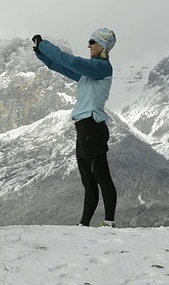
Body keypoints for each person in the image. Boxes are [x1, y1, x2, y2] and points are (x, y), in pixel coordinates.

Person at [32, 29, 118, 227]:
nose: (88, 45)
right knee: (88, 182)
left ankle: (109, 222)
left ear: (102, 46)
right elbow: (62, 67)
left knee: (102, 177)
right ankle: (83, 224)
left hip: (92, 127)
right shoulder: (89, 74)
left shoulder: (101, 68)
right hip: (83, 128)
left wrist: (45, 45)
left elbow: (70, 61)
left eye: (92, 42)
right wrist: (42, 55)